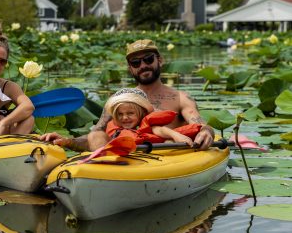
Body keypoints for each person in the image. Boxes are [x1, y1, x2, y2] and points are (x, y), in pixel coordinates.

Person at [41, 39, 214, 151]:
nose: (143, 66)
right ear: (130, 68)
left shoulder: (181, 98)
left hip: (166, 159)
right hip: (124, 165)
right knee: (96, 135)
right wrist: (67, 141)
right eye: (136, 62)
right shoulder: (118, 101)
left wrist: (207, 132)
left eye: (148, 59)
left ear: (159, 60)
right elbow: (94, 136)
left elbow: (199, 124)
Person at [104, 90, 201, 146]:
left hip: (150, 153)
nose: (124, 117)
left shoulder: (147, 124)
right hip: (126, 151)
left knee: (168, 141)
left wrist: (176, 136)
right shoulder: (115, 129)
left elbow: (160, 130)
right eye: (120, 114)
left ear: (141, 114)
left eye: (130, 113)